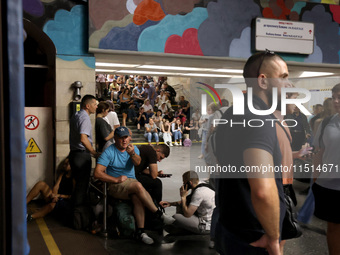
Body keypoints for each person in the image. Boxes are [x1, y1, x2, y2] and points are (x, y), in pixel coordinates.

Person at [214, 50, 290, 255]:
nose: (288, 84)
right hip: (255, 236)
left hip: (231, 225)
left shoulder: (232, 113)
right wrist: (274, 238)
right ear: (263, 81)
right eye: (283, 77)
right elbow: (262, 190)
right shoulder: (260, 120)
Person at [93, 127, 175, 245]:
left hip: (131, 182)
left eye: (126, 137)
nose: (124, 140)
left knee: (138, 196)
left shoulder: (133, 149)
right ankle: (158, 214)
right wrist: (115, 179)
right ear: (115, 138)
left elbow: (137, 162)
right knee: (138, 186)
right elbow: (97, 173)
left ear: (129, 138)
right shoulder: (109, 152)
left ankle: (140, 232)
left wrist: (131, 153)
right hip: (117, 185)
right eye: (121, 138)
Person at [312, 83, 340, 255]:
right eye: (334, 97)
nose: (336, 101)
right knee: (334, 226)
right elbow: (319, 153)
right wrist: (315, 179)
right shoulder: (327, 123)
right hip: (331, 183)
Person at [160, 171, 215, 235]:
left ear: (189, 183)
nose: (183, 184)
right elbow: (190, 201)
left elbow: (187, 214)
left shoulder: (198, 193)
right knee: (182, 205)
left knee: (176, 217)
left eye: (184, 182)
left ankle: (183, 228)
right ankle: (184, 227)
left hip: (205, 226)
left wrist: (183, 197)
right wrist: (170, 204)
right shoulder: (202, 185)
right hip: (212, 222)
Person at [69, 95, 99, 211]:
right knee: (82, 188)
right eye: (95, 104)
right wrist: (93, 152)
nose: (96, 107)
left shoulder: (76, 115)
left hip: (74, 154)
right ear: (88, 106)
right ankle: (79, 216)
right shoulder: (85, 118)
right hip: (82, 155)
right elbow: (83, 138)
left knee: (78, 186)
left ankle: (75, 215)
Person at [26, 157, 74, 223]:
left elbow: (72, 196)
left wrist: (59, 196)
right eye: (64, 164)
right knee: (41, 184)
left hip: (64, 200)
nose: (63, 166)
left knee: (51, 206)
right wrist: (54, 196)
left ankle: (29, 217)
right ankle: (23, 203)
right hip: (56, 197)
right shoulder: (62, 174)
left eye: (66, 164)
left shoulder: (74, 178)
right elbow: (56, 187)